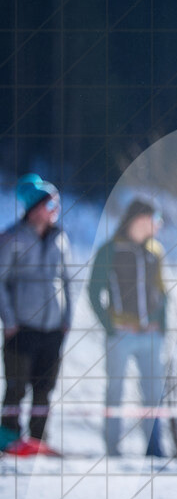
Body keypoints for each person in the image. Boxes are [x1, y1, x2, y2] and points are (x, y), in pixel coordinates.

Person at [88, 198, 167, 458]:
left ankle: (154, 450)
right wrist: (110, 326)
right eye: (152, 219)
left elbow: (161, 290)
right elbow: (94, 291)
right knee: (115, 391)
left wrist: (162, 325)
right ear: (137, 220)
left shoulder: (155, 250)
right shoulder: (109, 250)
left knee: (154, 394)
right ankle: (112, 450)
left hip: (151, 335)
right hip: (121, 334)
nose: (156, 226)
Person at [0, 174, 72, 455]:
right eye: (50, 203)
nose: (55, 209)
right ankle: (8, 441)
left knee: (45, 389)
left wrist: (67, 319)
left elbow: (68, 279)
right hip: (22, 328)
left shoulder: (60, 237)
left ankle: (39, 442)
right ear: (35, 207)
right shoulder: (12, 238)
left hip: (53, 329)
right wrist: (10, 320)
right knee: (16, 389)